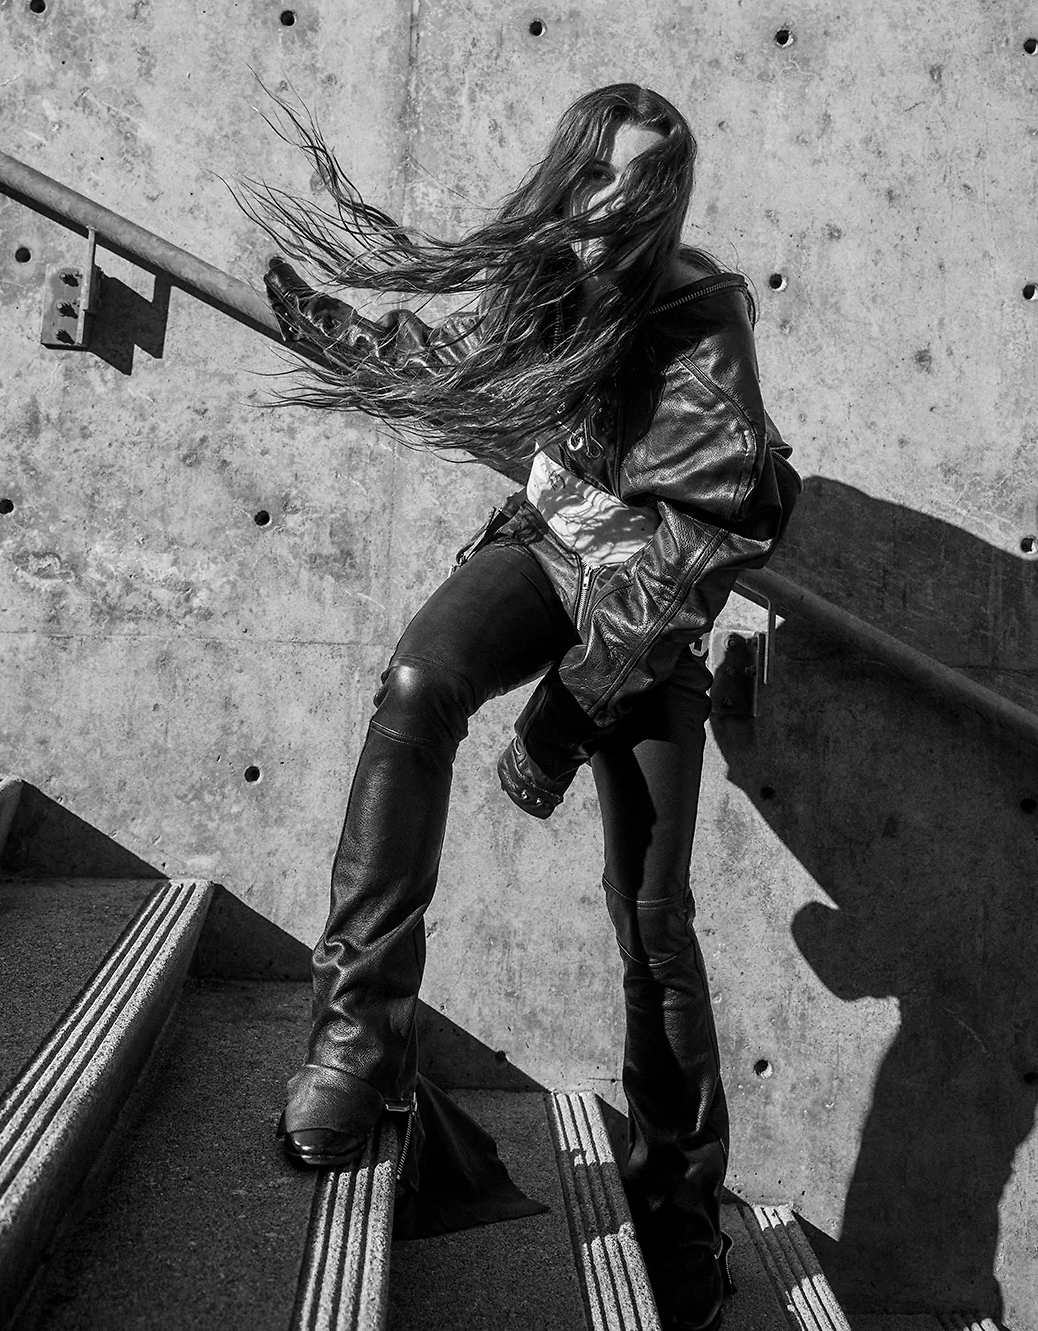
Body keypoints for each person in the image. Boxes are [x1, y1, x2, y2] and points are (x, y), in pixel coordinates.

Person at [240, 82, 801, 1331]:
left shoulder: (699, 307)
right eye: (597, 170)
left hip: (652, 607)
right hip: (545, 549)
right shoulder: (545, 273)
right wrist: (330, 327)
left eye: (642, 183)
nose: (612, 201)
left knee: (652, 921)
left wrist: (561, 720)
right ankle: (356, 1041)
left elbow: (701, 536)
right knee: (416, 683)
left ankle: (676, 1223)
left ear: (670, 201)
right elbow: (448, 364)